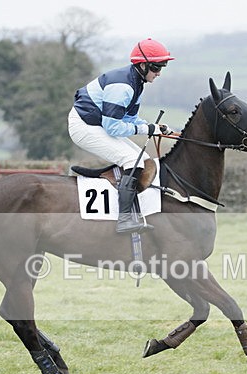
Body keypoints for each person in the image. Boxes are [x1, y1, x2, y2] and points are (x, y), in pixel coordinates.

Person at [68, 38, 174, 233]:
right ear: (143, 65)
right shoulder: (123, 86)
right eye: (156, 67)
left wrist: (154, 127)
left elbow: (130, 118)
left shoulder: (137, 83)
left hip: (97, 123)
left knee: (144, 161)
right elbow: (113, 128)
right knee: (132, 160)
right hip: (84, 126)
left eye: (162, 67)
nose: (159, 72)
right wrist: (146, 130)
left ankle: (132, 210)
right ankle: (124, 219)